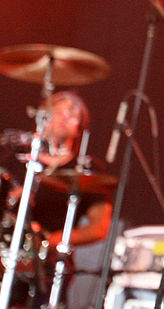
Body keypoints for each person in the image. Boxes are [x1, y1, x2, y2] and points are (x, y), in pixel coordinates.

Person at [4, 91, 113, 308]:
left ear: (80, 127)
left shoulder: (85, 170)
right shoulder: (17, 157)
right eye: (59, 111)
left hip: (45, 265)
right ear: (43, 116)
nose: (65, 117)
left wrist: (51, 240)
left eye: (73, 115)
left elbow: (100, 227)